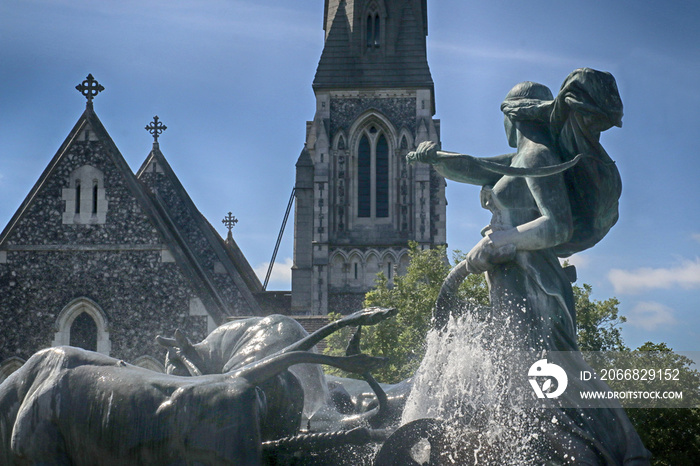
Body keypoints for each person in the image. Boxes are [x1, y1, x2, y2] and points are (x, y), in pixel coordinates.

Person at [408, 68, 650, 465]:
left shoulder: (538, 155)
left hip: (534, 278)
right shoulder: (521, 157)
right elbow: (474, 166)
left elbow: (558, 224)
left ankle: (624, 450)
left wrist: (505, 240)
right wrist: (436, 158)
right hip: (511, 274)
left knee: (552, 365)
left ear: (512, 115)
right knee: (532, 368)